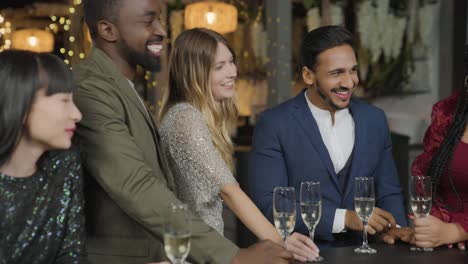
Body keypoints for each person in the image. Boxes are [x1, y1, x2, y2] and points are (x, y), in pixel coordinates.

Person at [74, 0, 292, 263]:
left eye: (159, 21)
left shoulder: (124, 86)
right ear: (108, 31)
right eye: (147, 21)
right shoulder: (91, 88)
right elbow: (136, 185)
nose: (162, 32)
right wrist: (234, 256)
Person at [158, 28, 319, 262]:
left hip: (204, 250)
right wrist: (280, 242)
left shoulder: (190, 116)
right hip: (194, 254)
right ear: (194, 73)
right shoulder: (185, 118)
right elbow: (230, 191)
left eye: (231, 62)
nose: (232, 72)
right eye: (219, 66)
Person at [249, 25, 411, 248]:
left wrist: (397, 232)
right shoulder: (274, 123)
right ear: (308, 75)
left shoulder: (374, 120)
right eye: (336, 73)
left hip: (368, 255)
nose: (349, 82)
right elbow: (268, 204)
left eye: (352, 70)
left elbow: (389, 191)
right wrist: (344, 218)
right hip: (303, 255)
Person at [0, 50, 85, 263]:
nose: (77, 114)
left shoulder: (65, 165)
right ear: (21, 106)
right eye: (64, 101)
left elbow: (73, 256)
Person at [410, 44, 468, 250]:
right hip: (443, 247)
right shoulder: (447, 114)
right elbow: (425, 179)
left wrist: (458, 231)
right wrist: (436, 227)